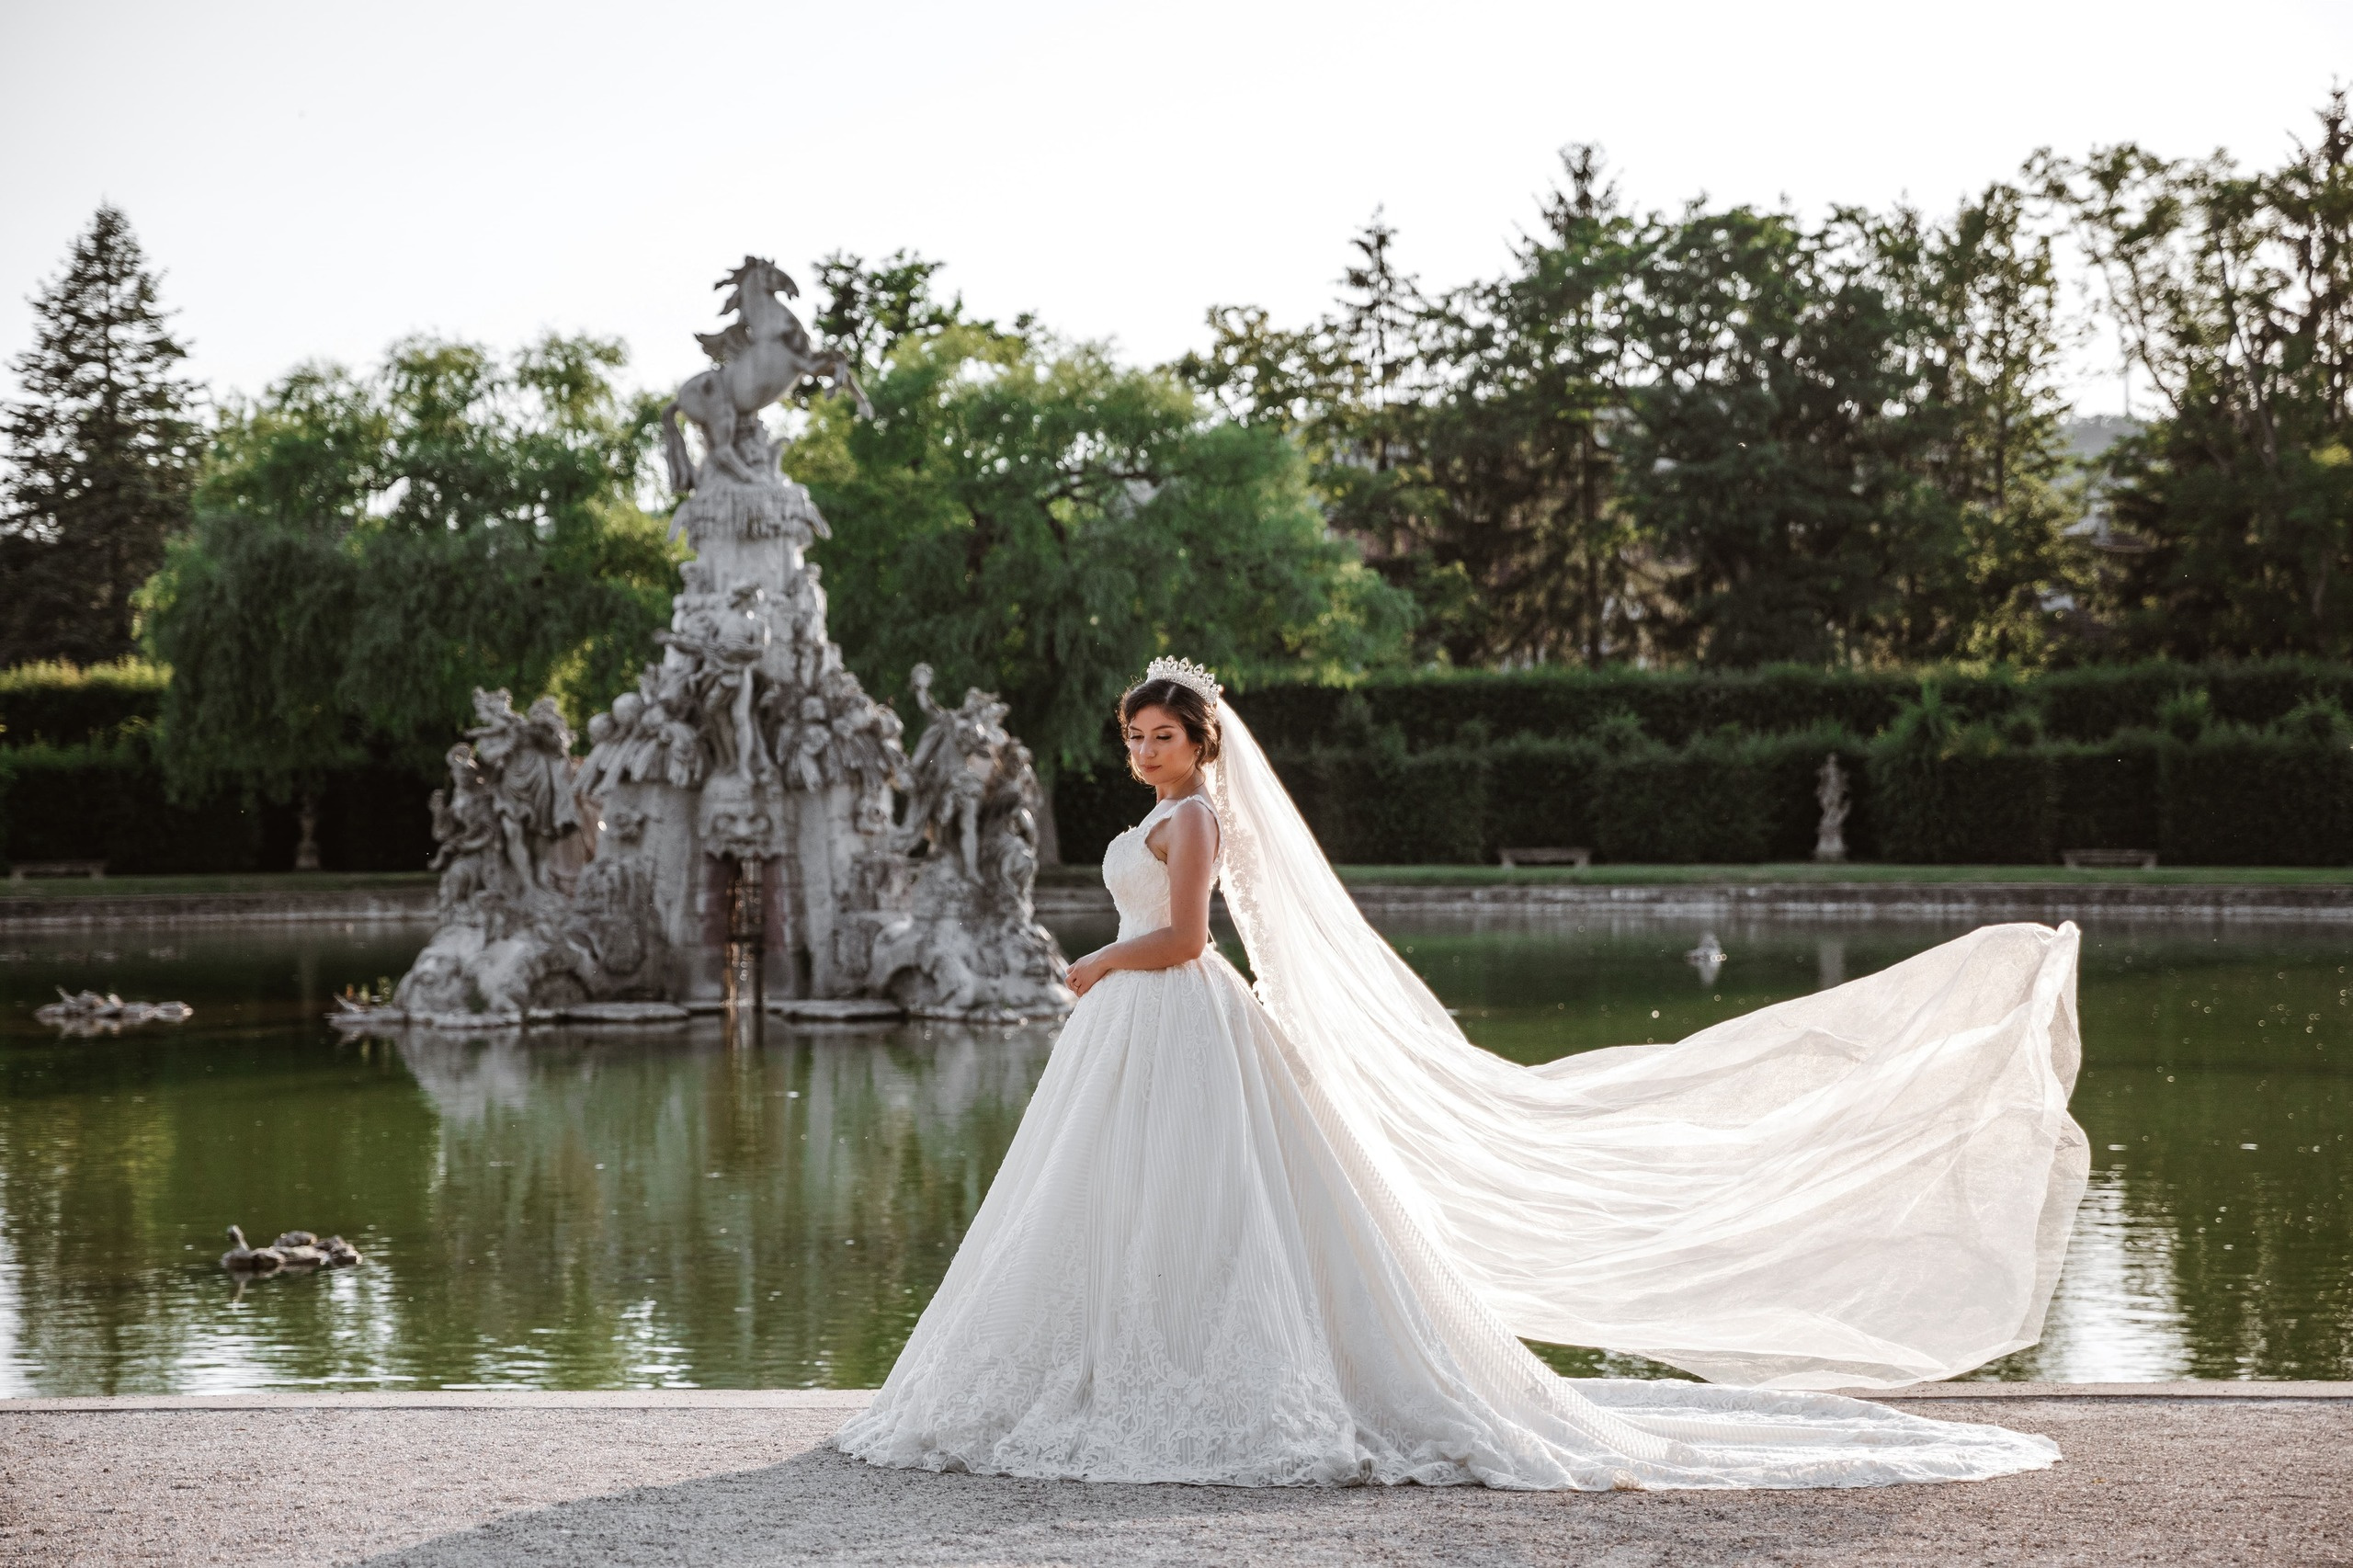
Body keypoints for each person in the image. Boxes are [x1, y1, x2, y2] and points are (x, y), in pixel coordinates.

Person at [833, 657, 2086, 1490]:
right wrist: (1105, 977)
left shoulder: (1198, 818)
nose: (1144, 752)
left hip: (1169, 1013)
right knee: (1117, 1208)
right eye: (1134, 737)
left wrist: (1091, 969)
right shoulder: (1153, 814)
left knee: (1207, 1202)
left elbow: (1189, 939)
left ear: (1202, 744)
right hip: (1134, 1028)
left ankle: (1204, 1378)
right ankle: (1116, 1362)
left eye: (1162, 736)